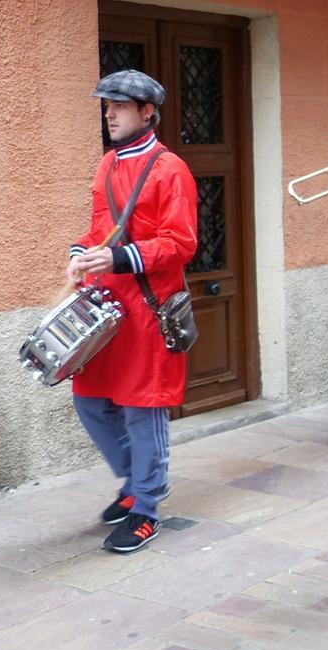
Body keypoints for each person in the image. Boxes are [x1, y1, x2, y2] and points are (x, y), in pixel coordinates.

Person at [66, 70, 198, 553]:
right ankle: (134, 479)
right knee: (89, 397)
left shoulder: (171, 169)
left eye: (119, 106)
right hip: (108, 307)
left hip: (149, 308)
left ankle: (146, 506)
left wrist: (119, 257)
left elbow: (181, 243)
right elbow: (100, 226)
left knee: (144, 408)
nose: (110, 114)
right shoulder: (106, 165)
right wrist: (80, 251)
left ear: (148, 112)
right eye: (106, 106)